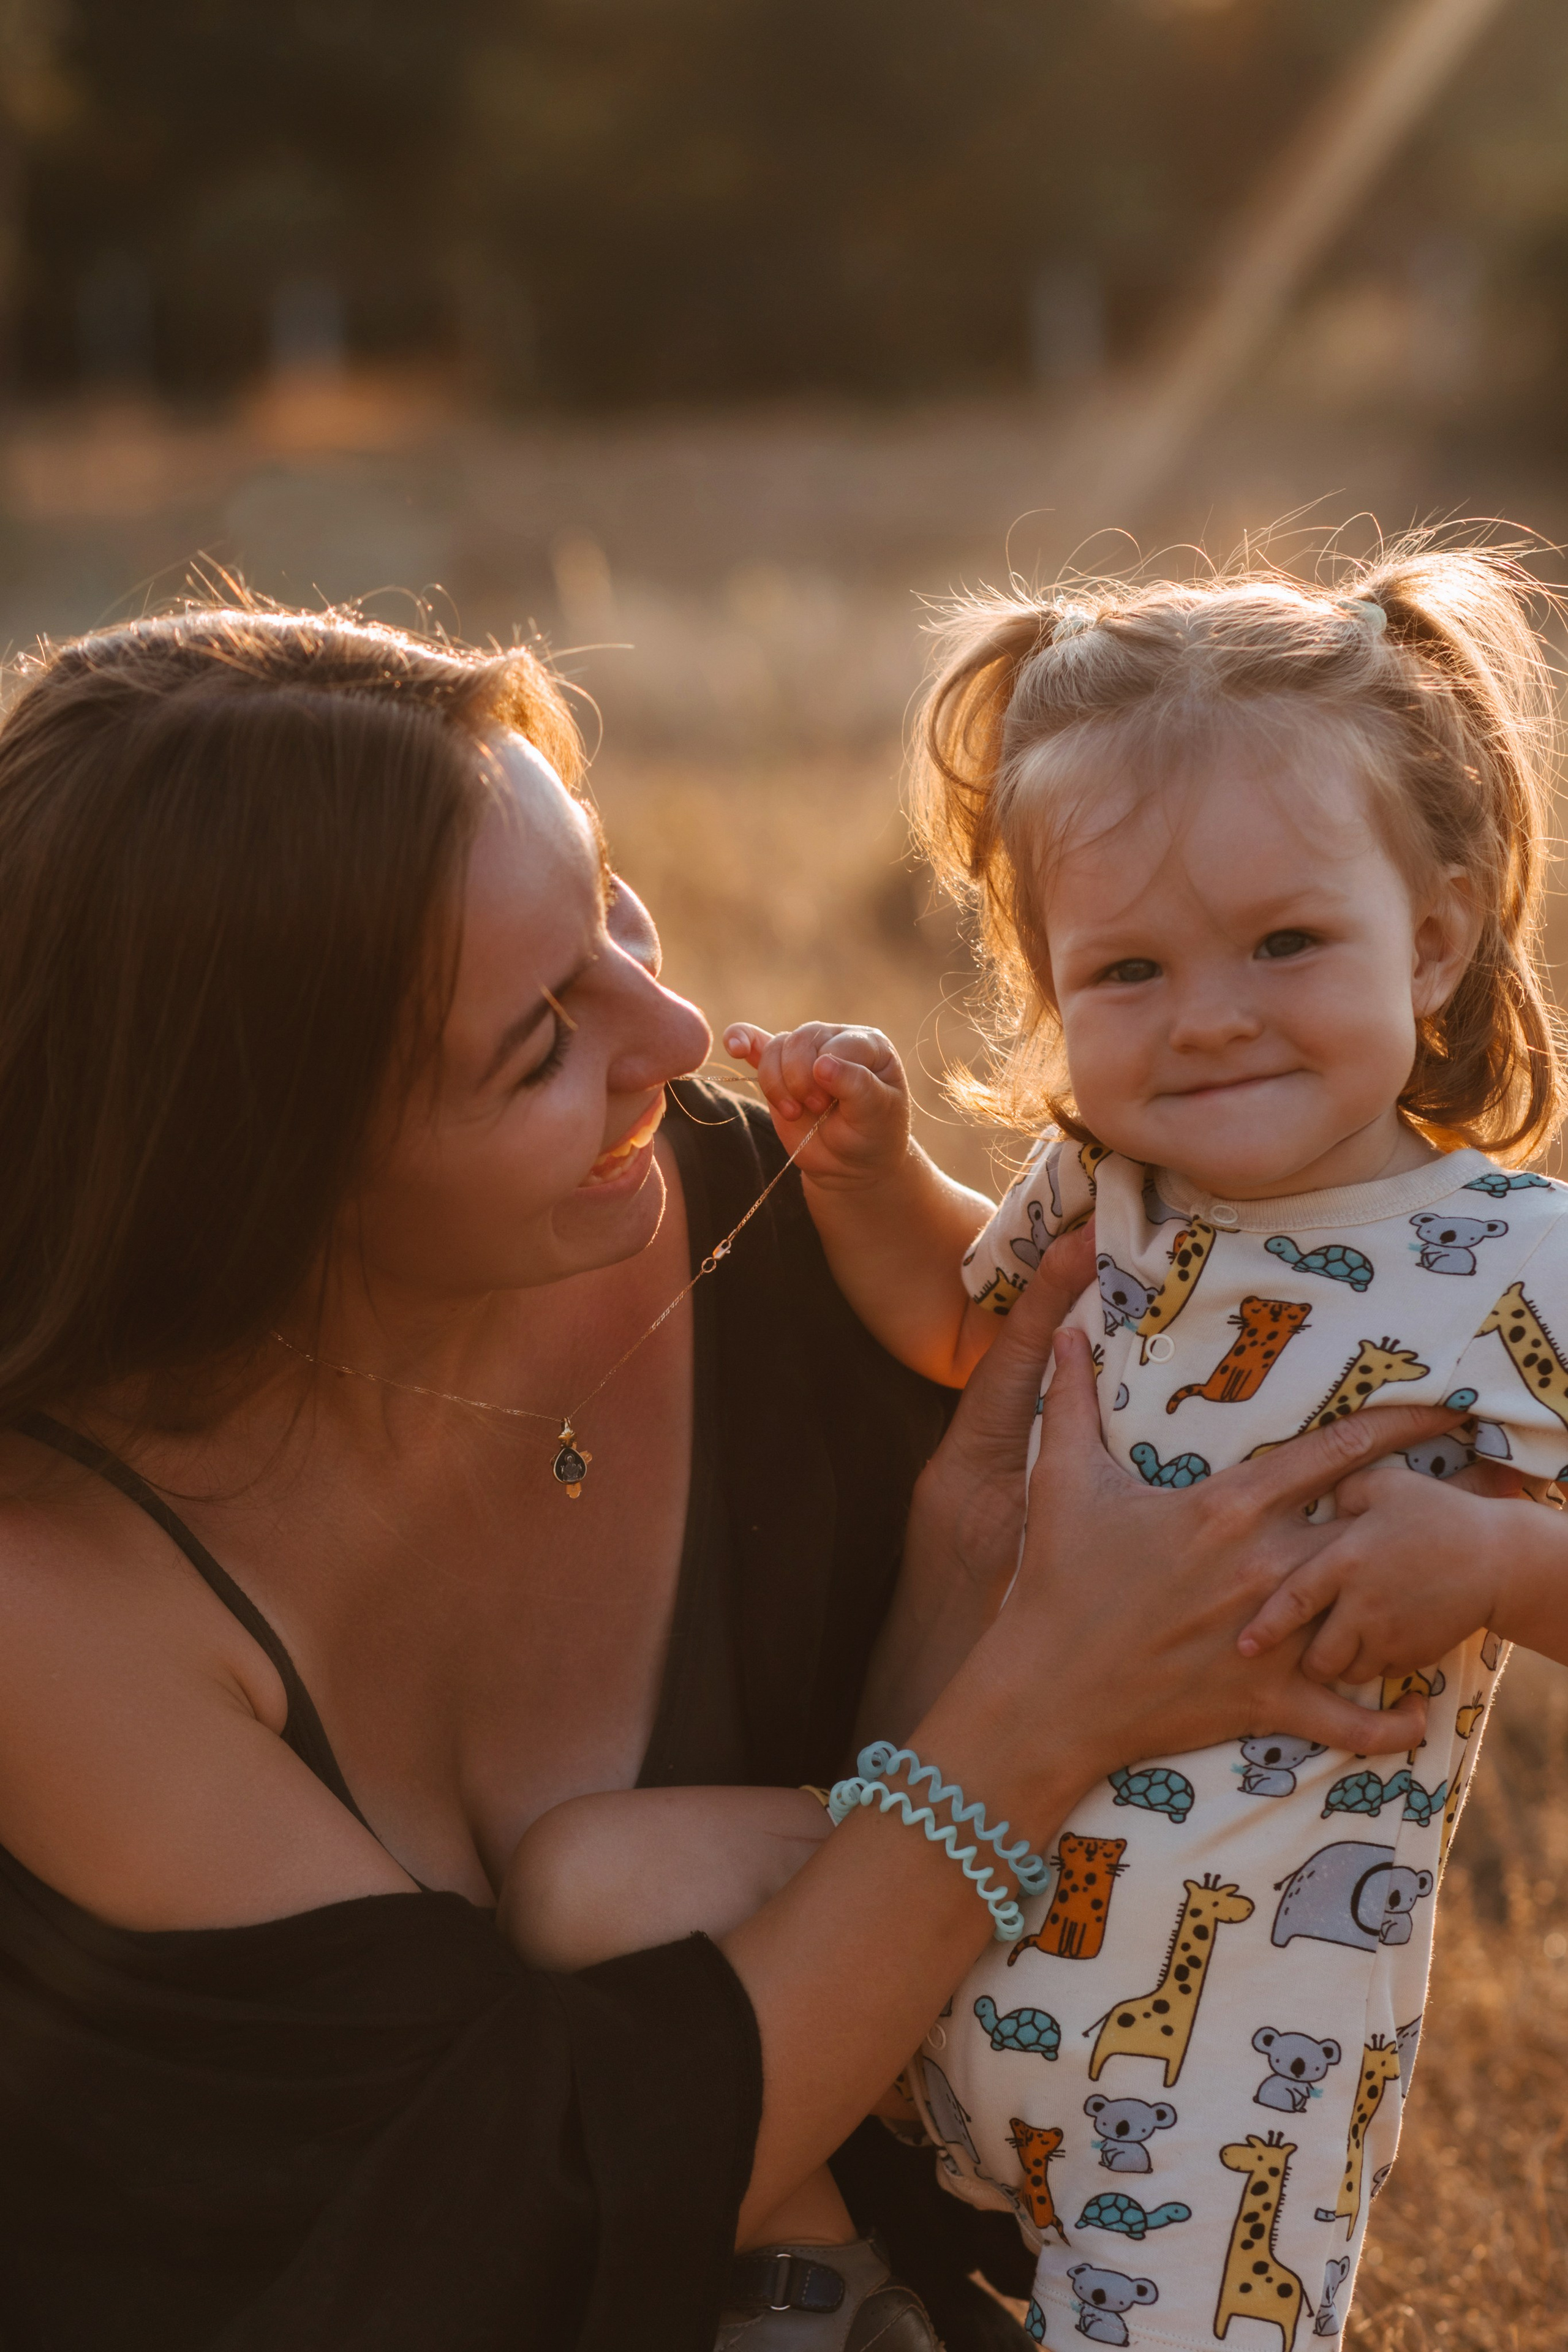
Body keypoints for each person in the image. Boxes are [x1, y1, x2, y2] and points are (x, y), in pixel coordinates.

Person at [0, 600, 1488, 2352]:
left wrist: (959, 1561)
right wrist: (1042, 1712)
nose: (678, 1027)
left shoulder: (770, 1215)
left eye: (611, 902)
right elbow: (503, 2224)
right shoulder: (53, 1586)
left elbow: (917, 1903)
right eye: (541, 1037)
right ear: (267, 1174)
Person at [514, 546, 1568, 2349]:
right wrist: (867, 1181)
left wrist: (1487, 1562)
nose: (1213, 1012)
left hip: (1228, 2049)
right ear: (1049, 983)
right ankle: (827, 2269)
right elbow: (959, 1327)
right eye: (1131, 970)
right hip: (939, 1896)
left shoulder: (1519, 1264)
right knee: (586, 1887)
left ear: (1442, 935)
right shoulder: (1110, 1189)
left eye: (1287, 943)